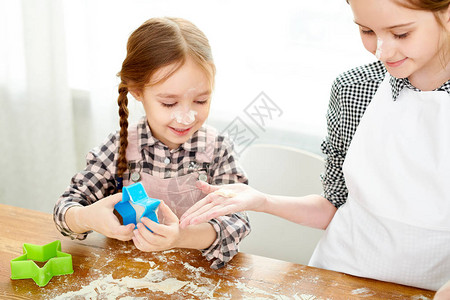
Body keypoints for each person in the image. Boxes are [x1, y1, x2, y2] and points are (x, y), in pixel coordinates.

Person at [180, 0, 450, 293]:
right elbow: (334, 206)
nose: (381, 51)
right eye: (367, 31)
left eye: (401, 34)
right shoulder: (354, 88)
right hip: (339, 278)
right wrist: (262, 201)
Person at [53, 17, 250, 269]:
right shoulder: (119, 147)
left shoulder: (218, 150)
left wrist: (182, 236)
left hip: (197, 277)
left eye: (201, 101)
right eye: (169, 103)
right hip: (127, 275)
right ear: (136, 91)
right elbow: (65, 210)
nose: (186, 115)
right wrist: (86, 217)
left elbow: (238, 220)